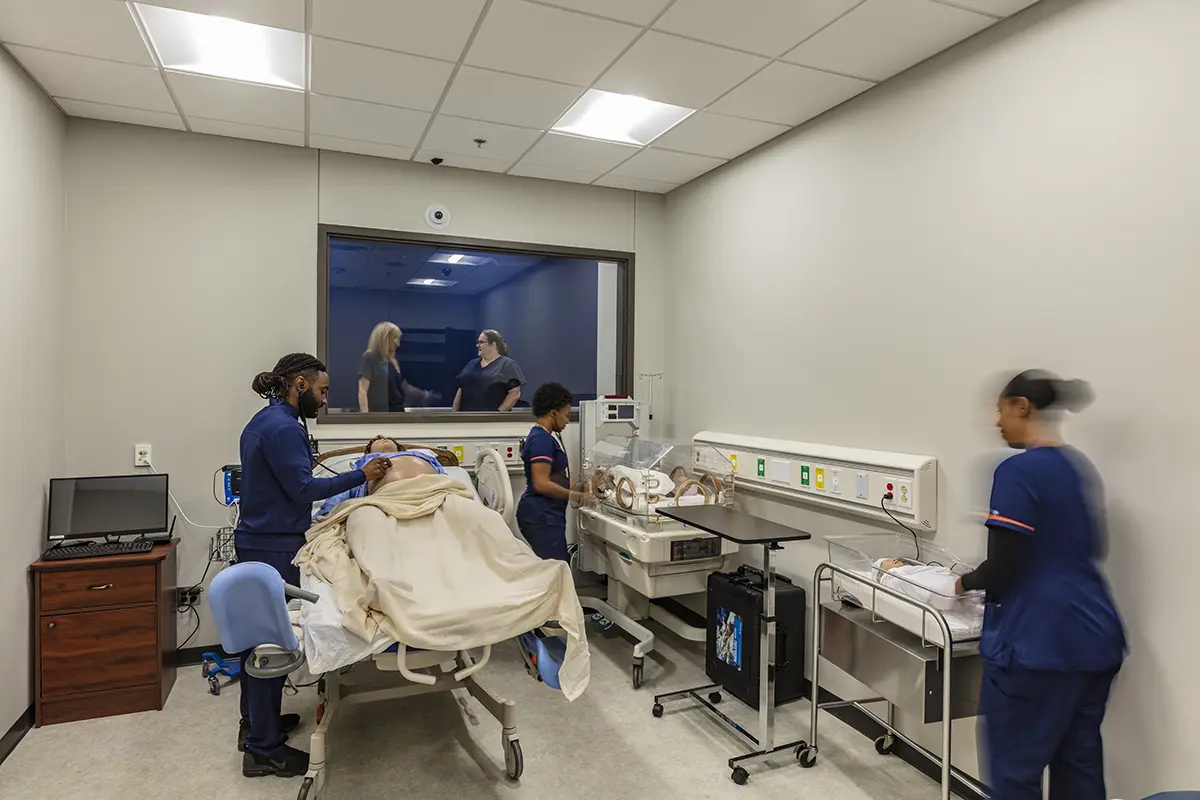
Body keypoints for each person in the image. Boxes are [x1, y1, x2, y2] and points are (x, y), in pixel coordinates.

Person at [954, 370, 1125, 800]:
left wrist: (962, 583)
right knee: (1079, 769)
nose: (997, 423)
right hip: (1094, 639)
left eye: (1000, 410)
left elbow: (1005, 566)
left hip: (1036, 649)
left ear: (1021, 407)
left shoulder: (1018, 471)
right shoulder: (1077, 467)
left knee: (1014, 774)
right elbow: (1092, 547)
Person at [234, 353, 392, 779]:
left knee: (257, 643)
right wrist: (362, 473)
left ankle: (255, 728)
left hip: (260, 541)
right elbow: (304, 489)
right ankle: (263, 752)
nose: (324, 400)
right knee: (270, 646)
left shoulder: (266, 422)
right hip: (272, 548)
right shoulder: (284, 428)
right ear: (299, 385)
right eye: (321, 391)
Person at [516, 382, 590, 562]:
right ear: (553, 413)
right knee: (557, 568)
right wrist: (575, 495)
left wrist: (585, 486)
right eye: (566, 415)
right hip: (541, 516)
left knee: (554, 567)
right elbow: (541, 484)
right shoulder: (541, 440)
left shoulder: (543, 437)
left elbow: (555, 478)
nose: (567, 421)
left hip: (546, 514)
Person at [358, 322, 439, 413]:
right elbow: (363, 390)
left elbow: (405, 388)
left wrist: (426, 396)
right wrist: (365, 417)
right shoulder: (370, 357)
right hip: (380, 414)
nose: (398, 344)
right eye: (395, 338)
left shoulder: (392, 362)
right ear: (385, 338)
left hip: (397, 413)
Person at [453, 329, 526, 412]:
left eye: (481, 342)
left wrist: (498, 414)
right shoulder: (471, 364)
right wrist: (454, 414)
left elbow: (514, 393)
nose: (477, 345)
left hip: (491, 421)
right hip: (465, 419)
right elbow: (461, 389)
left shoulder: (507, 364)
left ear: (493, 345)